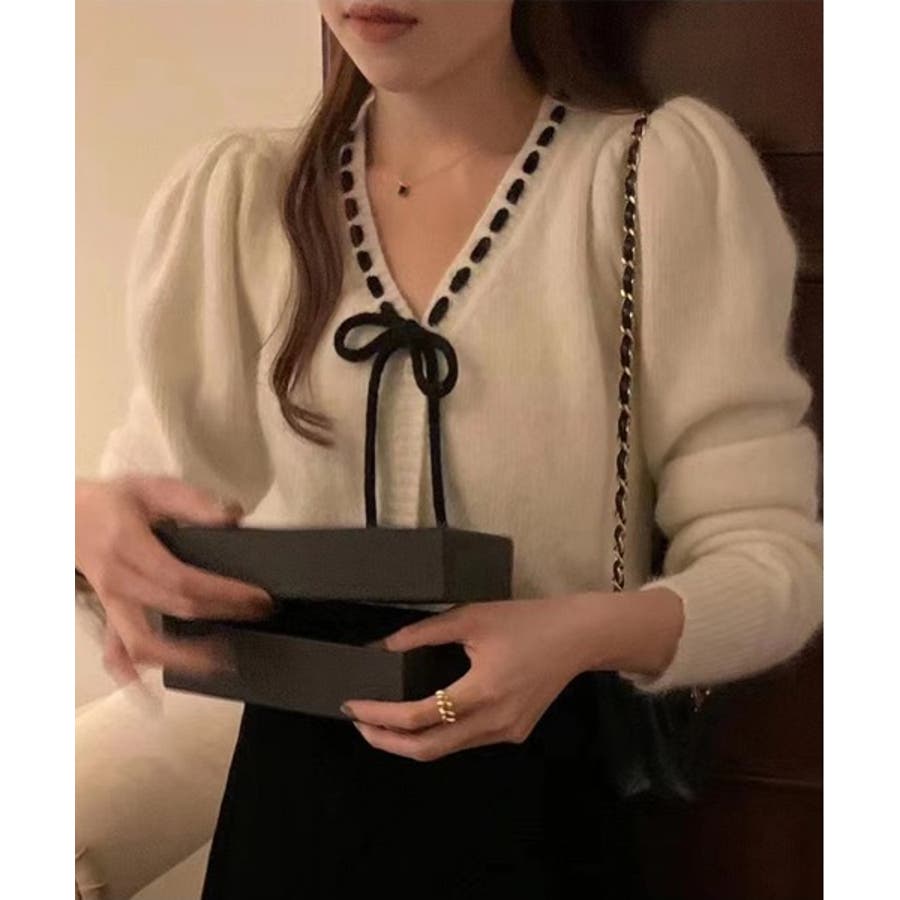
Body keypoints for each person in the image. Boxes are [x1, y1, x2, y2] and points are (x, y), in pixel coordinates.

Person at [74, 1, 824, 897]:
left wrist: (584, 632)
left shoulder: (649, 181)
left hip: (539, 811)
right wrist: (85, 524)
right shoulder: (242, 203)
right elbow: (147, 521)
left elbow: (775, 564)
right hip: (292, 819)